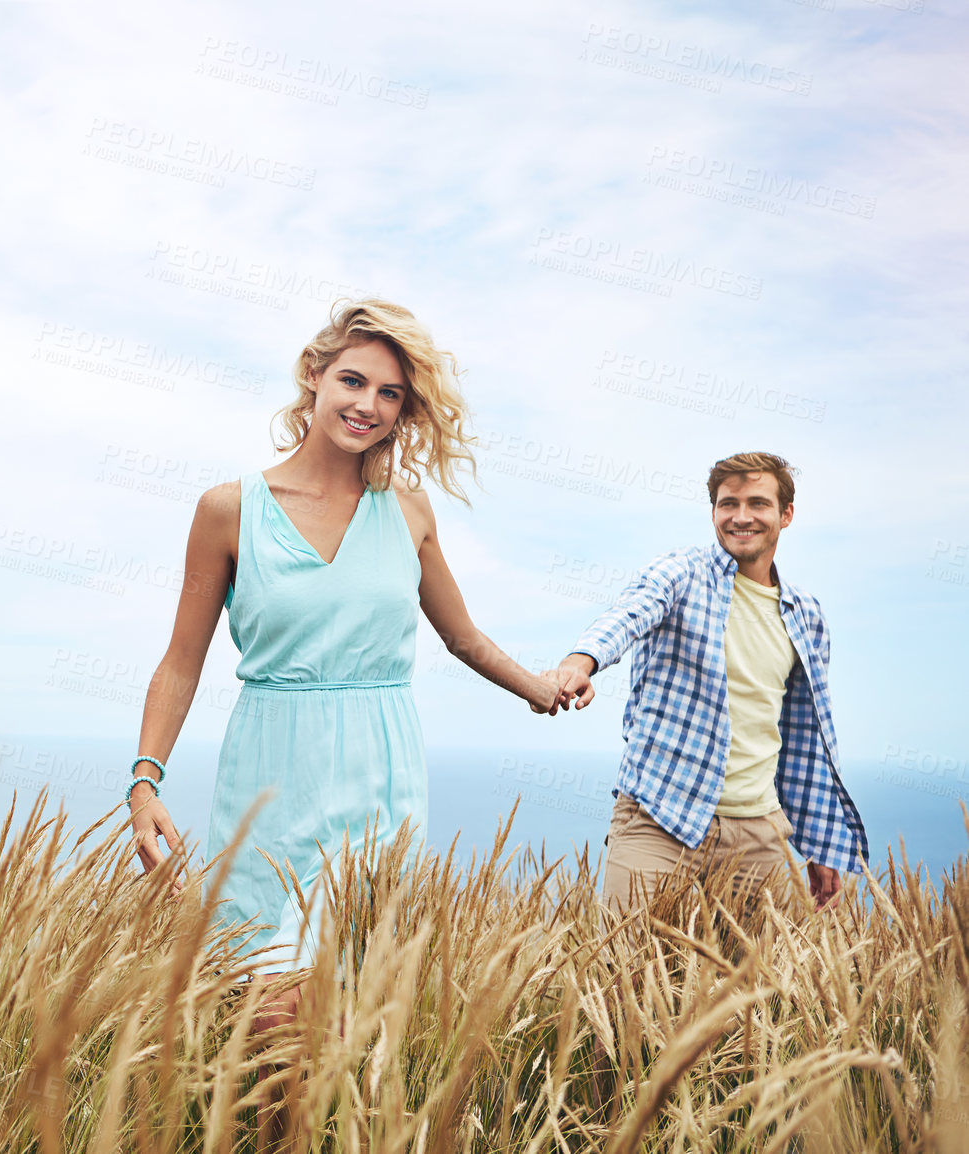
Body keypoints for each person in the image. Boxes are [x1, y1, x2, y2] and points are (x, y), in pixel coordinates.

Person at [121, 299, 564, 1143]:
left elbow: (462, 635)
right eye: (352, 380)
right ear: (313, 379)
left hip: (379, 775)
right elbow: (182, 661)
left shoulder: (409, 512)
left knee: (336, 1013)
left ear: (406, 410)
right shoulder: (229, 509)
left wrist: (535, 689)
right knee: (264, 1016)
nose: (367, 404)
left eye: (390, 393)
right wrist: (145, 780)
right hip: (269, 783)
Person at [544, 452, 868, 915]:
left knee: (775, 986)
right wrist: (581, 663)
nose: (741, 517)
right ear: (713, 512)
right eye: (727, 504)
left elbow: (806, 738)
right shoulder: (681, 574)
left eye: (757, 503)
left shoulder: (807, 616)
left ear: (786, 515)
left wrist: (820, 843)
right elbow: (627, 615)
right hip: (660, 819)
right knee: (621, 976)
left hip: (760, 834)